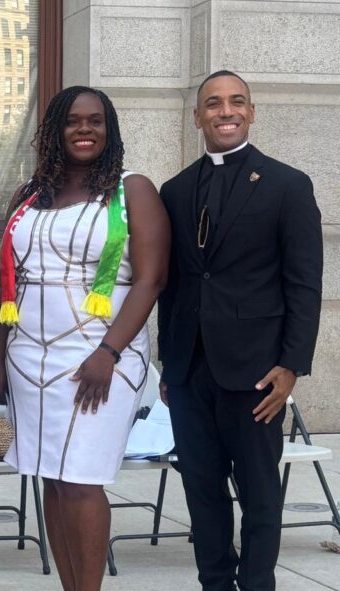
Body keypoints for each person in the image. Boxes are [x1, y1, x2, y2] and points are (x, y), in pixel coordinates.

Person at [0, 86, 170, 591]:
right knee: (51, 474)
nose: (84, 129)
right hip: (29, 357)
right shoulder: (31, 194)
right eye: (72, 121)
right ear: (54, 131)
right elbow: (9, 279)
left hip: (102, 357)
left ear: (109, 130)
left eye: (95, 121)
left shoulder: (133, 190)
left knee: (83, 479)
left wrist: (108, 353)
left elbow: (151, 279)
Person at [158, 70, 322, 591]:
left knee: (259, 494)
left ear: (251, 112)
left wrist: (291, 365)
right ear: (198, 116)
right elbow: (173, 283)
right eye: (213, 104)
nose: (225, 112)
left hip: (256, 372)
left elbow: (304, 283)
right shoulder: (175, 190)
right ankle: (214, 583)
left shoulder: (287, 185)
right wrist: (169, 363)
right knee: (202, 493)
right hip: (189, 371)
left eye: (236, 103)